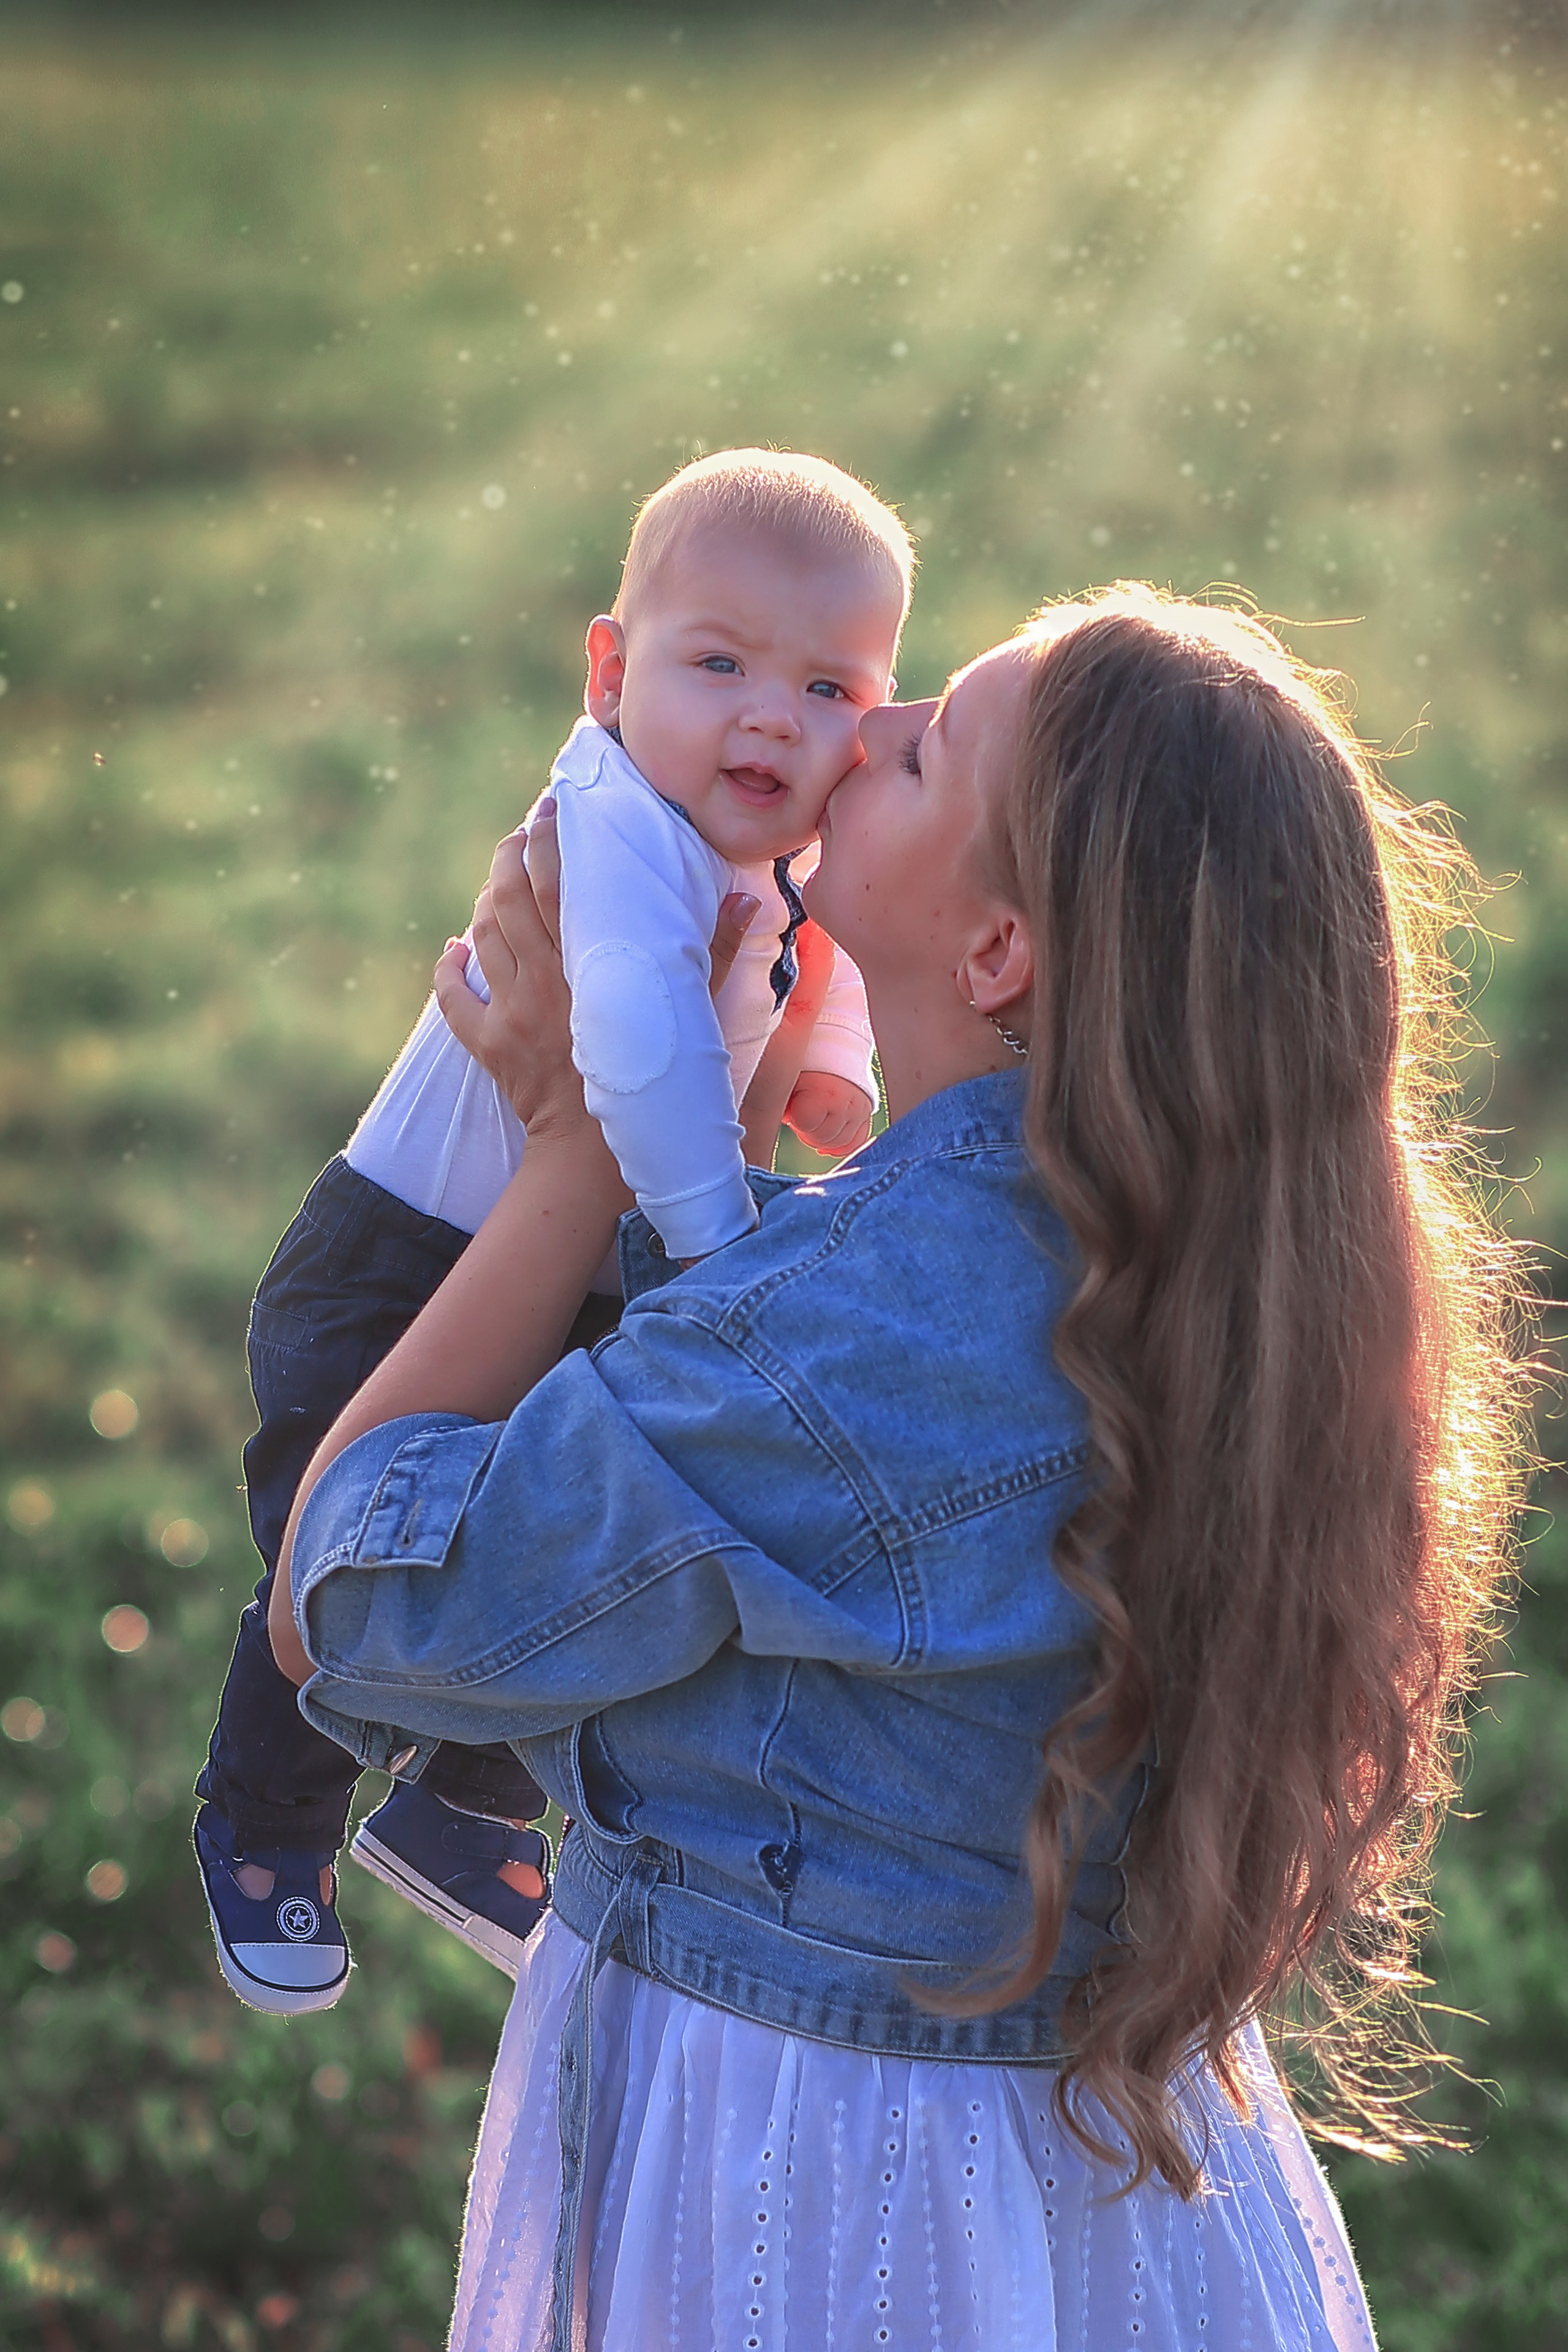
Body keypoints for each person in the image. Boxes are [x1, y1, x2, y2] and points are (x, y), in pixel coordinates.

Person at [270, 586, 1523, 2350]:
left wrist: (574, 1158)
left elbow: (357, 1602)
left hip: (813, 2188)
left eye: (927, 746)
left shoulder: (840, 1343)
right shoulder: (1242, 1275)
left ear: (997, 952)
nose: (862, 726)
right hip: (1109, 2183)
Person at [193, 449, 910, 2015]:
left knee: (560, 1536)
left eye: (827, 685)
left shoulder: (769, 831)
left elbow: (827, 942)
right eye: (714, 663)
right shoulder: (613, 824)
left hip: (582, 1246)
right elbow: (639, 1049)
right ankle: (266, 1817)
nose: (771, 718)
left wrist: (836, 1073)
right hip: (400, 1262)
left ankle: (463, 1812)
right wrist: (712, 1249)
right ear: (608, 669)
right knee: (346, 1557)